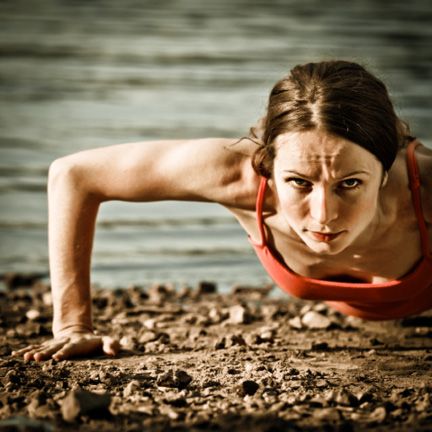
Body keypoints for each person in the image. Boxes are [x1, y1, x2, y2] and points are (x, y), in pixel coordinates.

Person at [12, 60, 432, 362]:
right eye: (299, 183)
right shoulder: (239, 177)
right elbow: (73, 175)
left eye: (350, 184)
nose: (323, 214)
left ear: (385, 169)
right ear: (268, 165)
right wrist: (72, 326)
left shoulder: (423, 187)